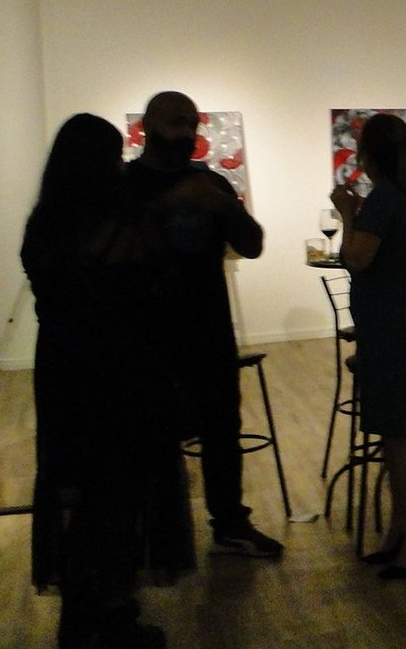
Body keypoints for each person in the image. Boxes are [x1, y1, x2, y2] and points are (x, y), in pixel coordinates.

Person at [25, 114, 193, 649]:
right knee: (116, 496)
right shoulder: (116, 226)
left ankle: (88, 616)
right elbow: (150, 289)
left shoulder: (47, 223)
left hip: (67, 371)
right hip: (117, 375)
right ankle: (108, 615)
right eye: (112, 156)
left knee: (84, 495)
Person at [124, 91, 281, 558]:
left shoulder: (212, 182)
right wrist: (172, 202)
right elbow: (115, 245)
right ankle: (152, 536)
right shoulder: (126, 183)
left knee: (222, 429)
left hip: (208, 328)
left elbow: (252, 245)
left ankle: (229, 522)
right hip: (147, 332)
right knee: (149, 432)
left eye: (192, 123)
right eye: (176, 122)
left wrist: (225, 207)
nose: (186, 132)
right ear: (148, 125)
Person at [330, 113, 406, 578]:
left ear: (367, 156)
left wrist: (347, 213)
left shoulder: (381, 199)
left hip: (390, 327)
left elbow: (355, 259)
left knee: (399, 437)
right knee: (398, 434)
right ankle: (401, 529)